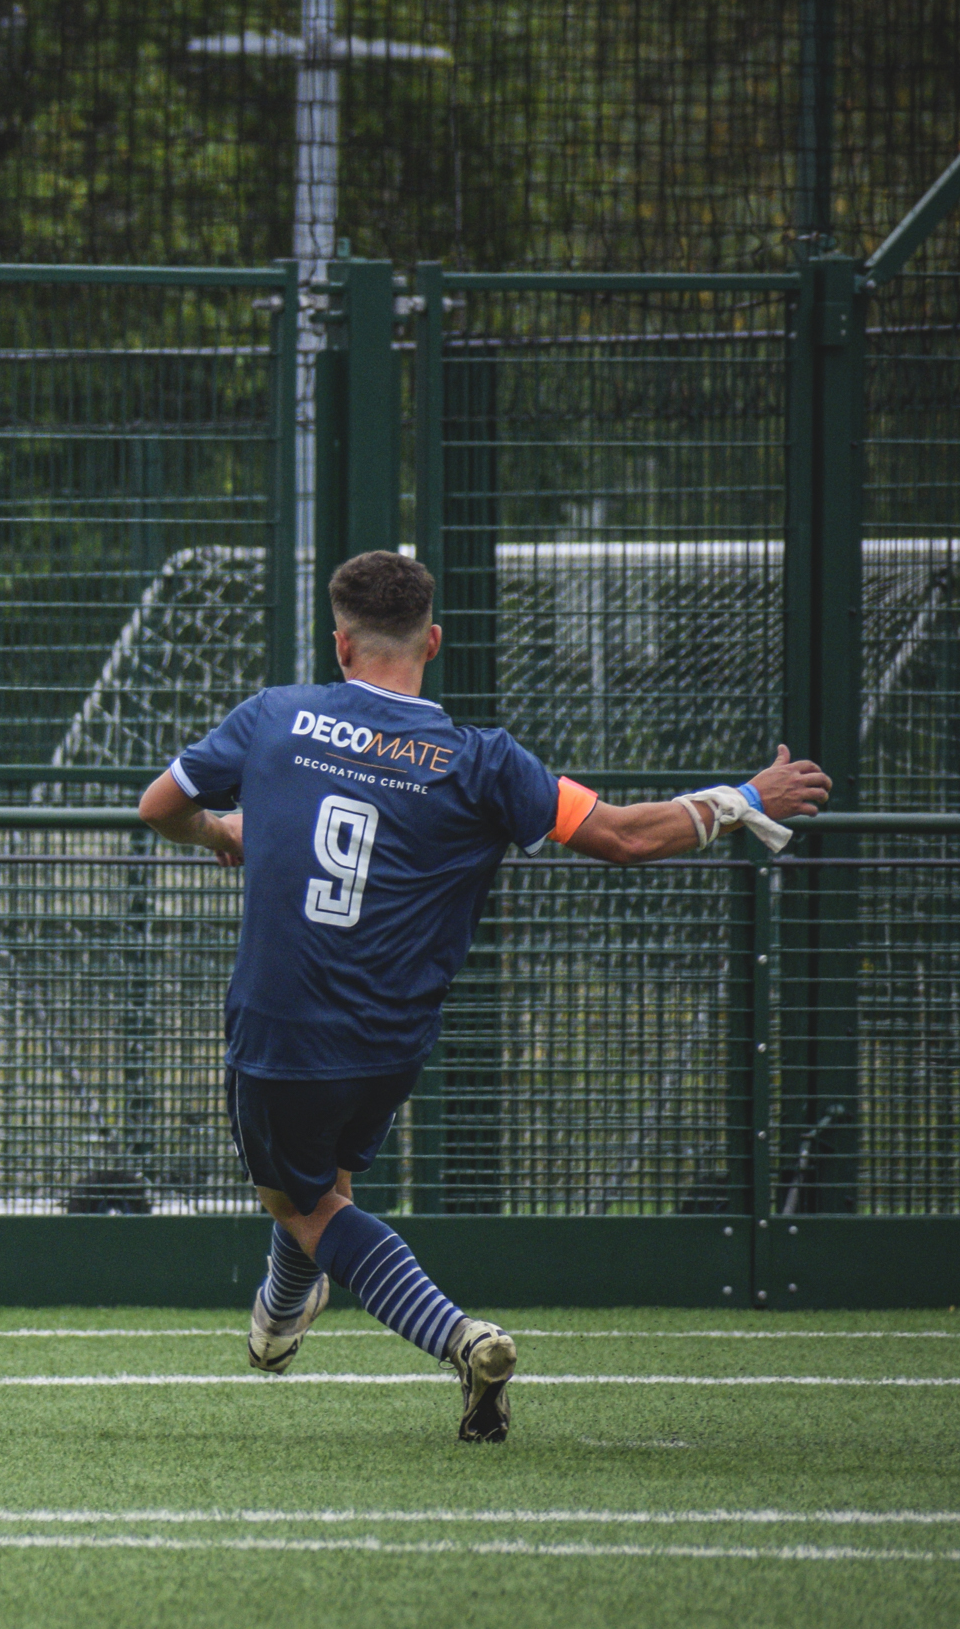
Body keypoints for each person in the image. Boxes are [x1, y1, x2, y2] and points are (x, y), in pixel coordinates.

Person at [138, 550, 828, 1440]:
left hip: (280, 1028)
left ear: (340, 645)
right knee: (324, 1185)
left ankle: (461, 1336)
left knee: (303, 1204)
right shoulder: (485, 762)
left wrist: (216, 828)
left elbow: (159, 804)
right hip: (389, 1044)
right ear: (433, 641)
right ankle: (277, 1321)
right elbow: (621, 838)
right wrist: (741, 796)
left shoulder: (276, 716)